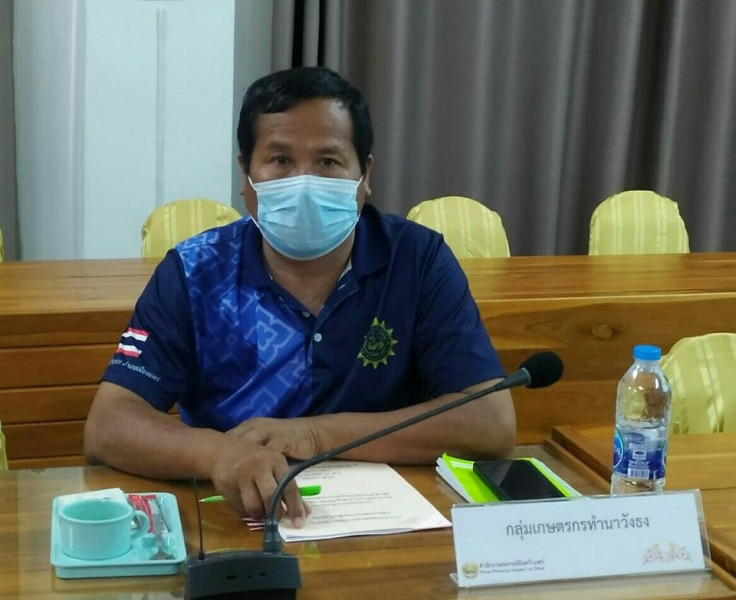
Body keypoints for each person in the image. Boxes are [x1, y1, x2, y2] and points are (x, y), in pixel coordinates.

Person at [84, 66, 515, 527]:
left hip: (385, 525)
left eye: (328, 161)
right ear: (246, 175)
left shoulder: (416, 260)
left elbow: (490, 424)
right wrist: (217, 454)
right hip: (236, 518)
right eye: (280, 160)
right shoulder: (193, 271)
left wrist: (314, 435)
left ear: (365, 174)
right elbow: (109, 425)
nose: (304, 182)